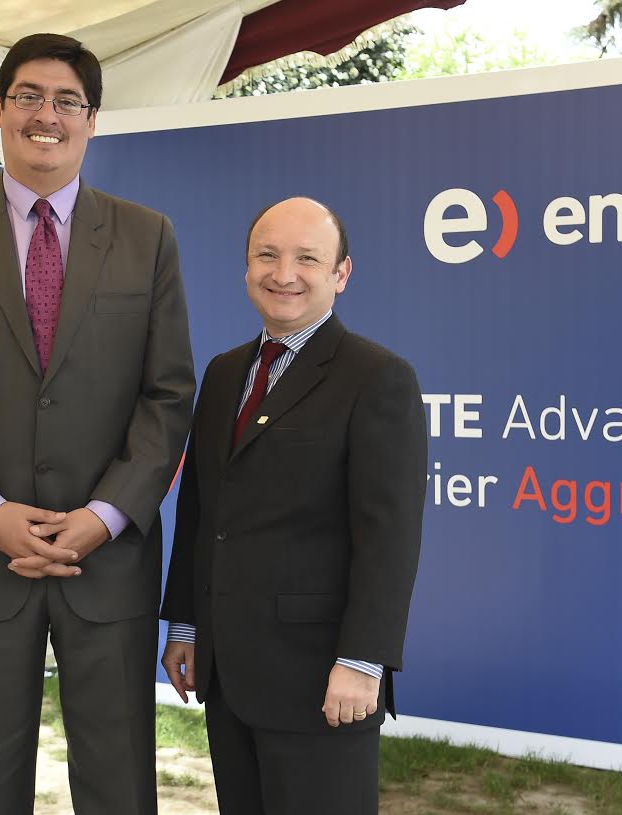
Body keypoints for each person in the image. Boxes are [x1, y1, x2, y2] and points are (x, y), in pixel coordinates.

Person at [0, 32, 195, 815]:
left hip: (107, 561)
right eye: (27, 96)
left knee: (120, 785)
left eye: (66, 101)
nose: (45, 116)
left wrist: (104, 515)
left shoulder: (147, 236)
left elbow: (166, 396)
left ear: (91, 120)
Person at [160, 196, 426, 815]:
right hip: (227, 673)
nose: (284, 274)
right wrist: (187, 625)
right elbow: (201, 512)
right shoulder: (224, 373)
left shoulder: (377, 377)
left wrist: (363, 661)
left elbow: (389, 538)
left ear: (341, 273)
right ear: (246, 267)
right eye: (268, 255)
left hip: (322, 681)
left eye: (307, 258)